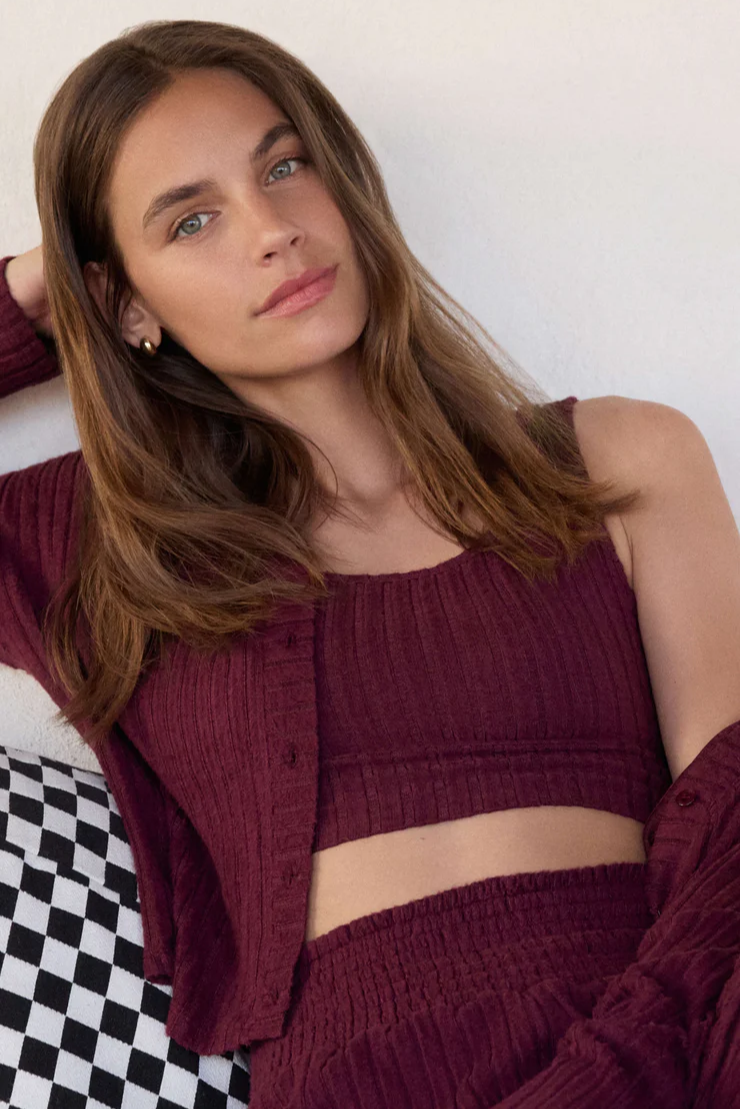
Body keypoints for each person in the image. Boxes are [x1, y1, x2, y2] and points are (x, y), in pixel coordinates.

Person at [1, 17, 740, 1110]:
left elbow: (728, 823)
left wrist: (611, 1072)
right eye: (191, 219)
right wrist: (40, 290)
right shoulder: (99, 550)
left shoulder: (619, 458)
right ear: (124, 302)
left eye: (285, 166)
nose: (271, 232)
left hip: (663, 1036)